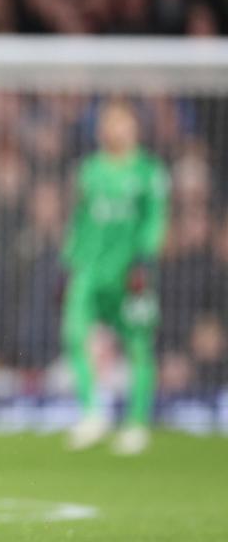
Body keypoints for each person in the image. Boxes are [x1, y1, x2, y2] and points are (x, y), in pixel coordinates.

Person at [61, 102, 169, 455]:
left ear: (134, 127)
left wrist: (143, 259)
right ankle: (93, 413)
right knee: (75, 334)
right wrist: (70, 259)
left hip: (129, 273)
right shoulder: (89, 171)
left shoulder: (150, 173)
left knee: (138, 345)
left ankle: (136, 423)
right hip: (89, 272)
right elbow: (79, 220)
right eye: (107, 122)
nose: (112, 129)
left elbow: (155, 221)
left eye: (120, 122)